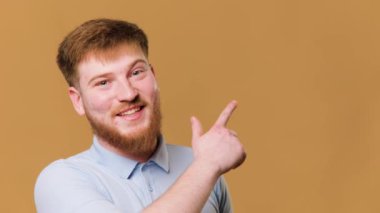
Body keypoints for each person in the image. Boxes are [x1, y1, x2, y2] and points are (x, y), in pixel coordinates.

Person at [34, 18, 246, 213]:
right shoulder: (60, 180)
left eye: (136, 72)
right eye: (103, 83)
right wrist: (207, 167)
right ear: (78, 101)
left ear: (153, 77)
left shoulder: (200, 163)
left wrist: (205, 165)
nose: (128, 93)